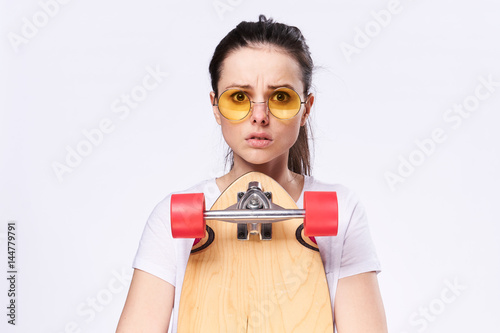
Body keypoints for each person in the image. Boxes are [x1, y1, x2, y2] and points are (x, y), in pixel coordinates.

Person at [116, 15, 387, 333]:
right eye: (239, 98)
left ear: (306, 108)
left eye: (281, 98)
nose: (259, 116)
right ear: (216, 107)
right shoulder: (174, 217)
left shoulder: (340, 210)